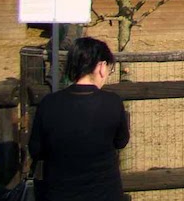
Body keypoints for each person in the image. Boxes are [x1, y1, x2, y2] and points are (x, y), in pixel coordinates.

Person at [28, 37, 130, 201]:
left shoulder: (49, 103)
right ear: (101, 67)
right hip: (105, 193)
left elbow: (36, 150)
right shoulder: (112, 102)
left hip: (58, 193)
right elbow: (121, 141)